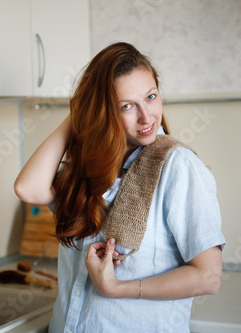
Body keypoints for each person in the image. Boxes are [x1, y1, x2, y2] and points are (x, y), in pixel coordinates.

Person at [14, 42, 225, 332]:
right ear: (101, 112)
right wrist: (80, 111)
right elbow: (28, 188)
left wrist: (115, 288)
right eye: (127, 106)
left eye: (151, 97)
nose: (146, 117)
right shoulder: (88, 168)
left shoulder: (178, 166)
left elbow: (208, 277)